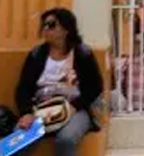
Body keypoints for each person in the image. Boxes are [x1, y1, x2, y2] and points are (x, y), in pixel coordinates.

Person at [14, 8, 104, 156]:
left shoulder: (82, 54)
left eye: (51, 25)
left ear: (66, 29)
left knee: (66, 139)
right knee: (19, 141)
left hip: (74, 109)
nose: (45, 29)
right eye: (44, 25)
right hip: (41, 109)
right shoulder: (37, 55)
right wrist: (26, 113)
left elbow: (95, 87)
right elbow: (23, 88)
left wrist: (75, 106)